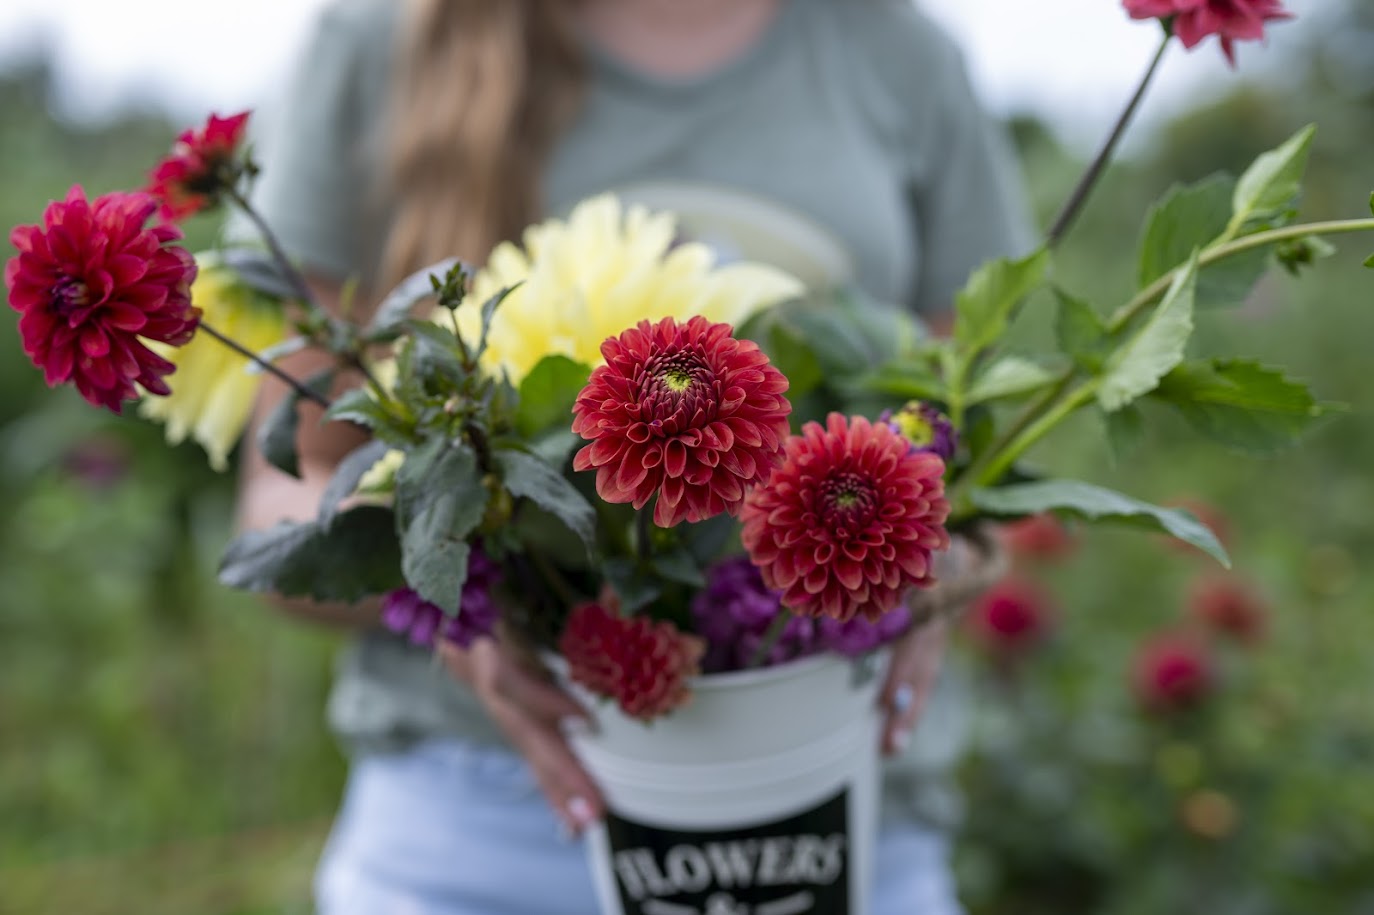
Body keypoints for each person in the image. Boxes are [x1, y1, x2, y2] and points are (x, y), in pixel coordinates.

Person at [236, 0, 1032, 912]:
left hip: (836, 814)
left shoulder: (900, 52)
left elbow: (981, 463)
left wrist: (935, 566)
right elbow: (281, 495)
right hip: (487, 827)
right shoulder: (381, 40)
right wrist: (450, 592)